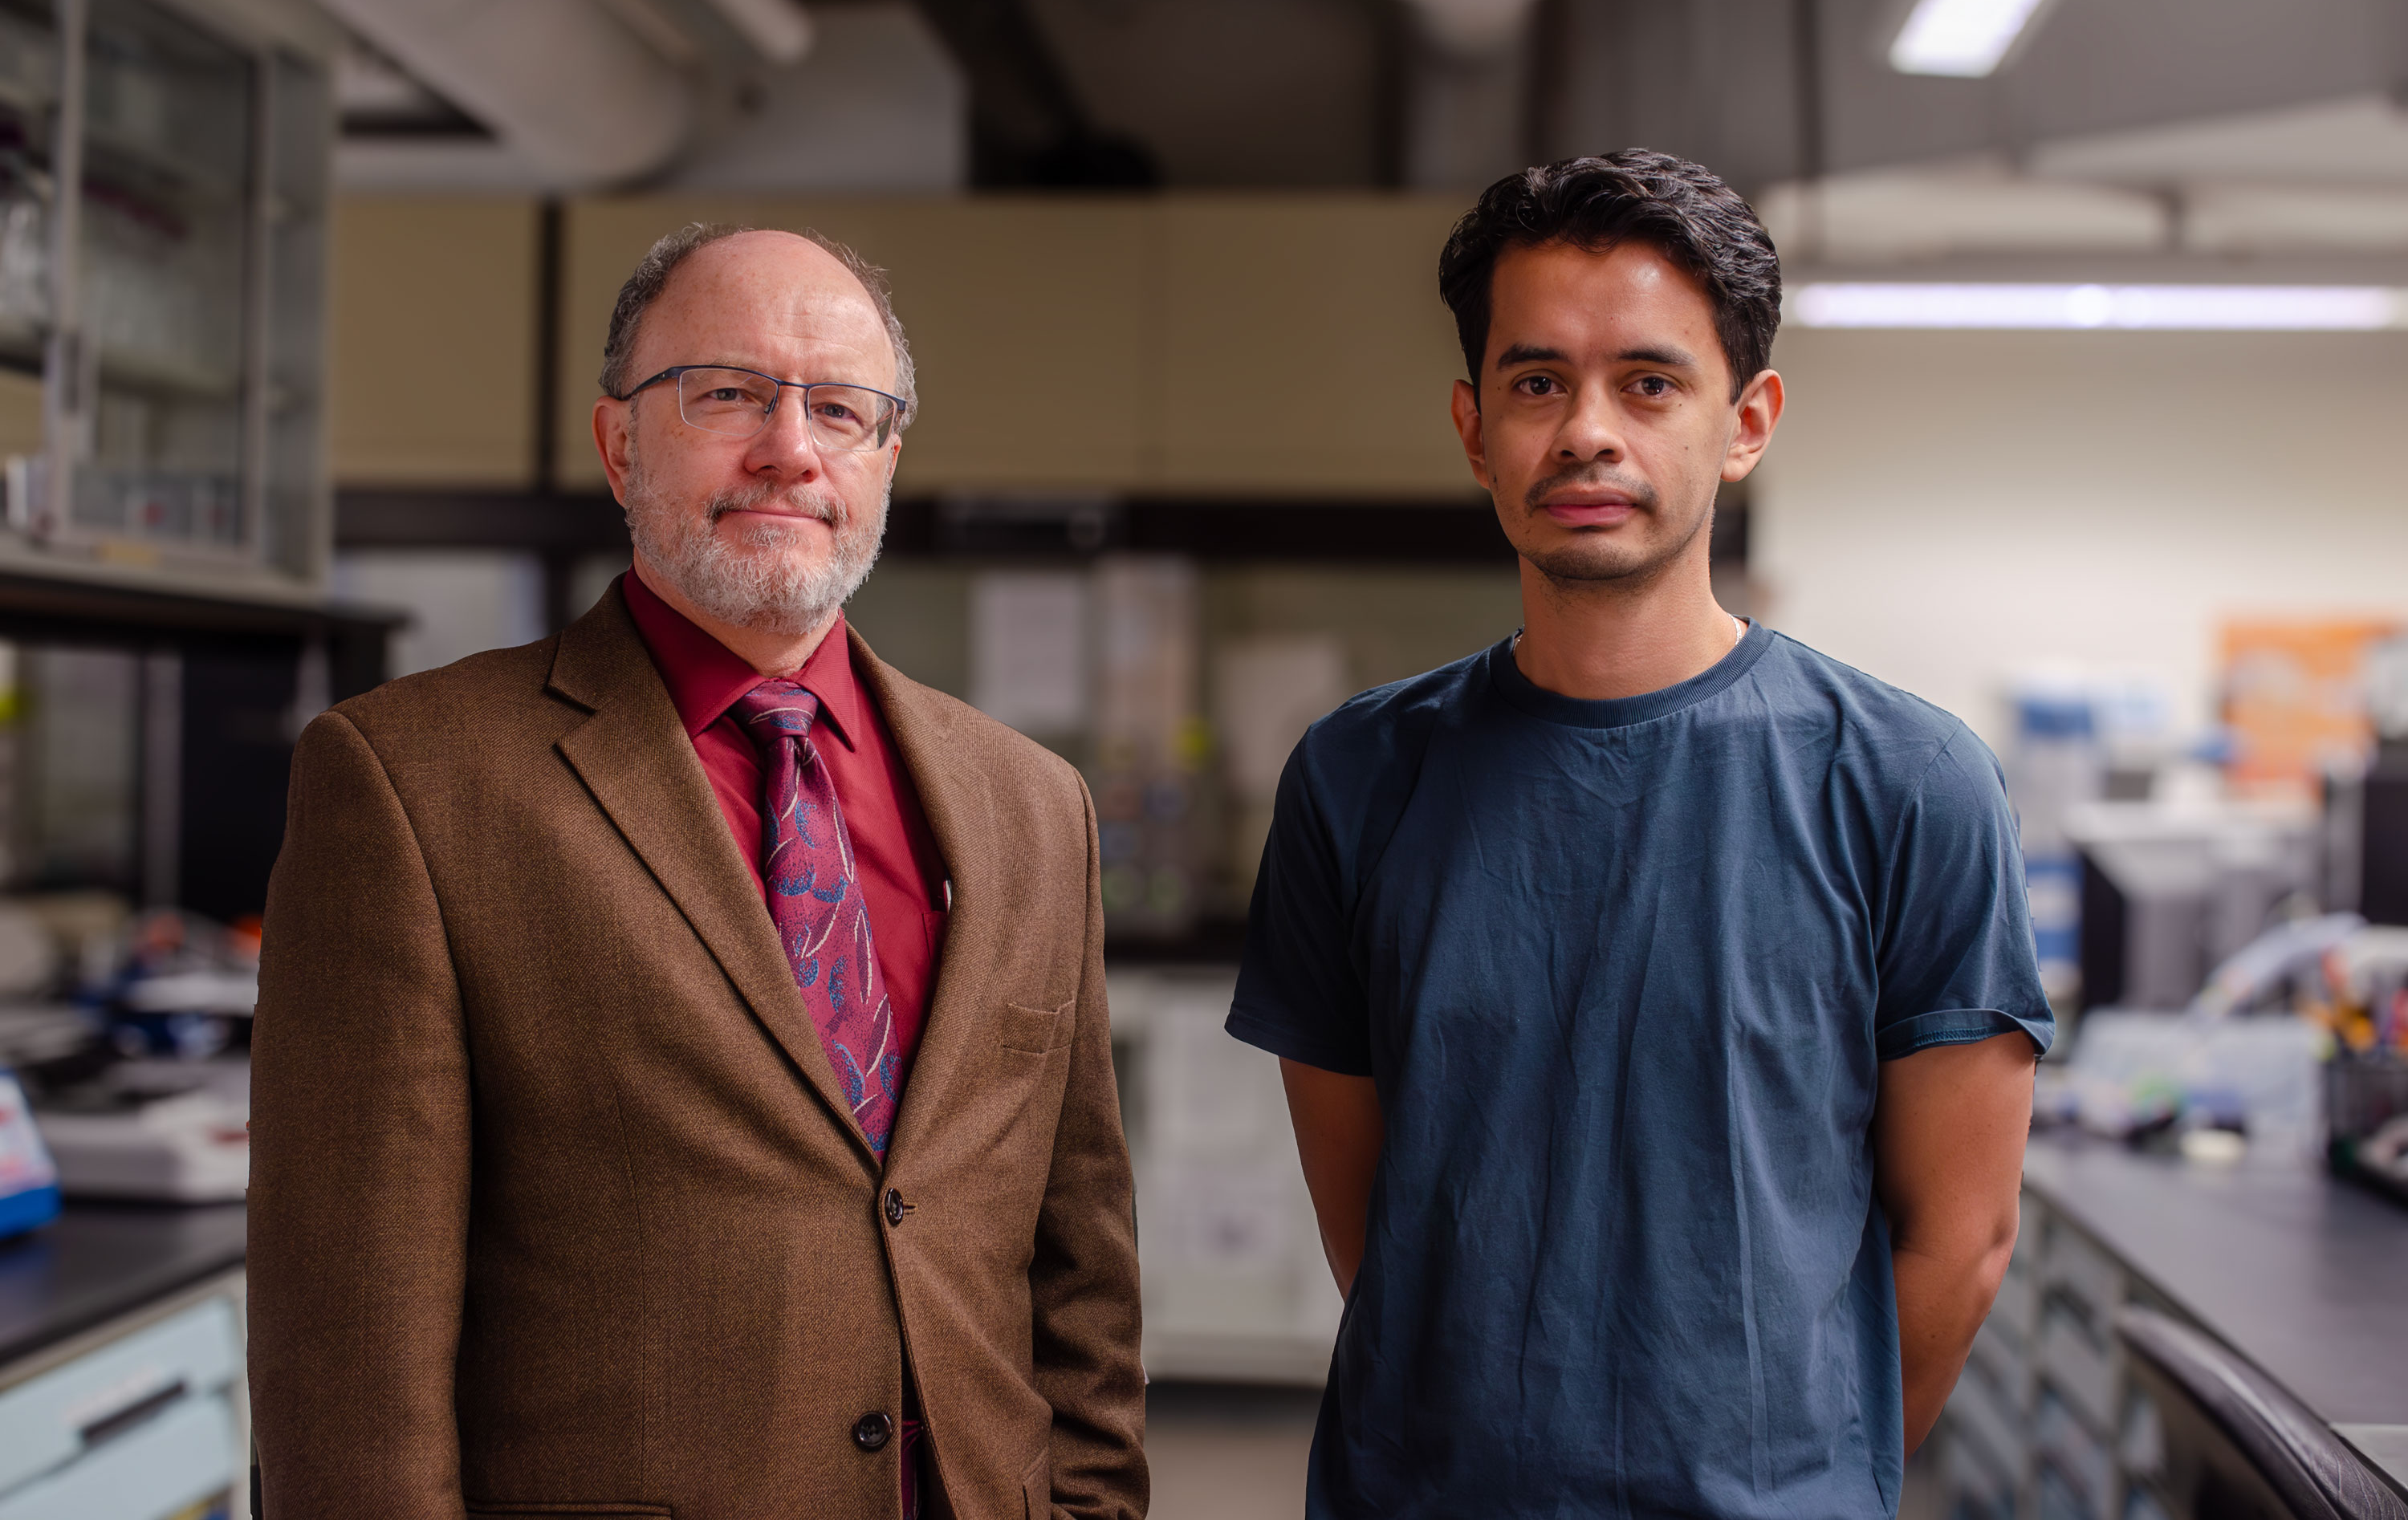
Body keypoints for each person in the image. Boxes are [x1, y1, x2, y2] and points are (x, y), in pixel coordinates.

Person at [250, 225, 1146, 1520]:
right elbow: (346, 1342)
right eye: (728, 393)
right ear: (620, 447)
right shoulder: (407, 780)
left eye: (841, 409)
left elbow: (1084, 1261)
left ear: (885, 460)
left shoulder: (1031, 804)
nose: (791, 447)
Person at [1227, 152, 2051, 1518]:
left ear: (1747, 421)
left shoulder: (1908, 782)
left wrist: (1794, 1481)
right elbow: (1375, 1226)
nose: (1587, 432)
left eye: (1649, 383)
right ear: (1472, 425)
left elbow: (1960, 1245)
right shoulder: (1359, 776)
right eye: (1537, 381)